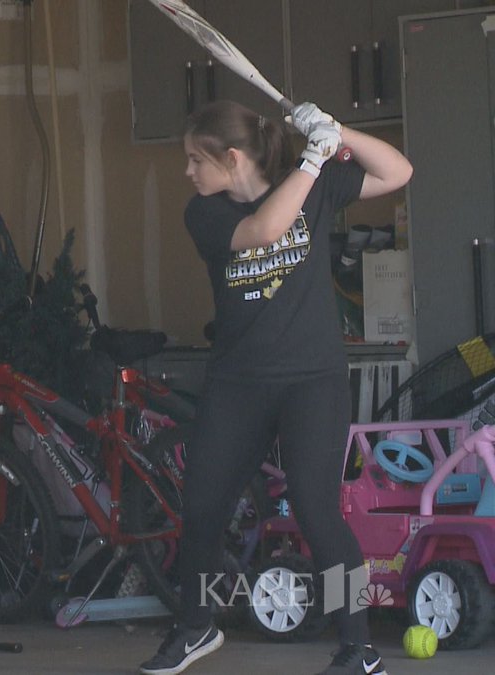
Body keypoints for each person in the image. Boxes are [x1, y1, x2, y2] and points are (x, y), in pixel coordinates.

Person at [139, 99, 413, 675]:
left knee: (319, 513)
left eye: (195, 159)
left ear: (232, 157)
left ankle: (359, 648)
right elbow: (265, 229)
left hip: (313, 382)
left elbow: (398, 172)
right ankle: (196, 626)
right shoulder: (205, 214)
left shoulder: (315, 184)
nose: (188, 172)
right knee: (205, 507)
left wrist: (338, 133)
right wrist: (313, 160)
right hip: (238, 384)